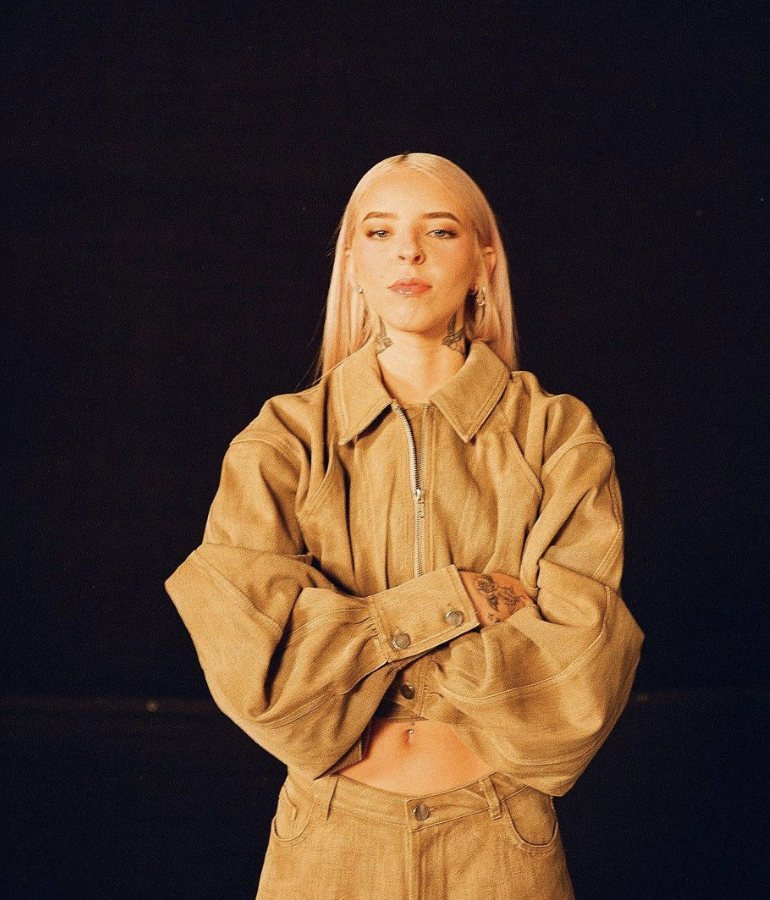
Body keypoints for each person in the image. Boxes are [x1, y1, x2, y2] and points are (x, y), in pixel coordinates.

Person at [166, 152, 644, 900]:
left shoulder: (558, 436)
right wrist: (457, 601)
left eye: (440, 231)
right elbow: (259, 679)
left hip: (500, 841)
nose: (408, 253)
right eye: (380, 231)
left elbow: (576, 688)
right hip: (328, 844)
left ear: (484, 260)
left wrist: (341, 637)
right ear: (351, 264)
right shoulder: (282, 440)